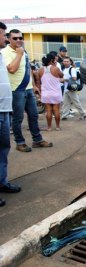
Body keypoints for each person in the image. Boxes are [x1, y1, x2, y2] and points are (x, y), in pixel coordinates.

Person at [2, 29, 53, 152]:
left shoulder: (24, 52)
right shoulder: (5, 52)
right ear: (9, 39)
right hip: (16, 90)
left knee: (34, 115)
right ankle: (20, 142)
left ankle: (37, 140)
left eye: (20, 38)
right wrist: (19, 54)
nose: (19, 40)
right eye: (15, 38)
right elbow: (12, 69)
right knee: (18, 118)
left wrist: (34, 85)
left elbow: (27, 68)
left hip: (28, 88)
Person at [0, 22, 21, 207]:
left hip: (4, 108)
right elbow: (12, 69)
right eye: (4, 35)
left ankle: (2, 182)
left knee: (3, 149)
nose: (5, 39)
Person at [38, 53, 64, 131]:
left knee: (48, 110)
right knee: (56, 110)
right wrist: (55, 65)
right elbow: (61, 75)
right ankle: (57, 127)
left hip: (45, 93)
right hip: (55, 92)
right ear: (52, 60)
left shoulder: (40, 70)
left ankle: (49, 127)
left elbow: (39, 81)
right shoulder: (55, 68)